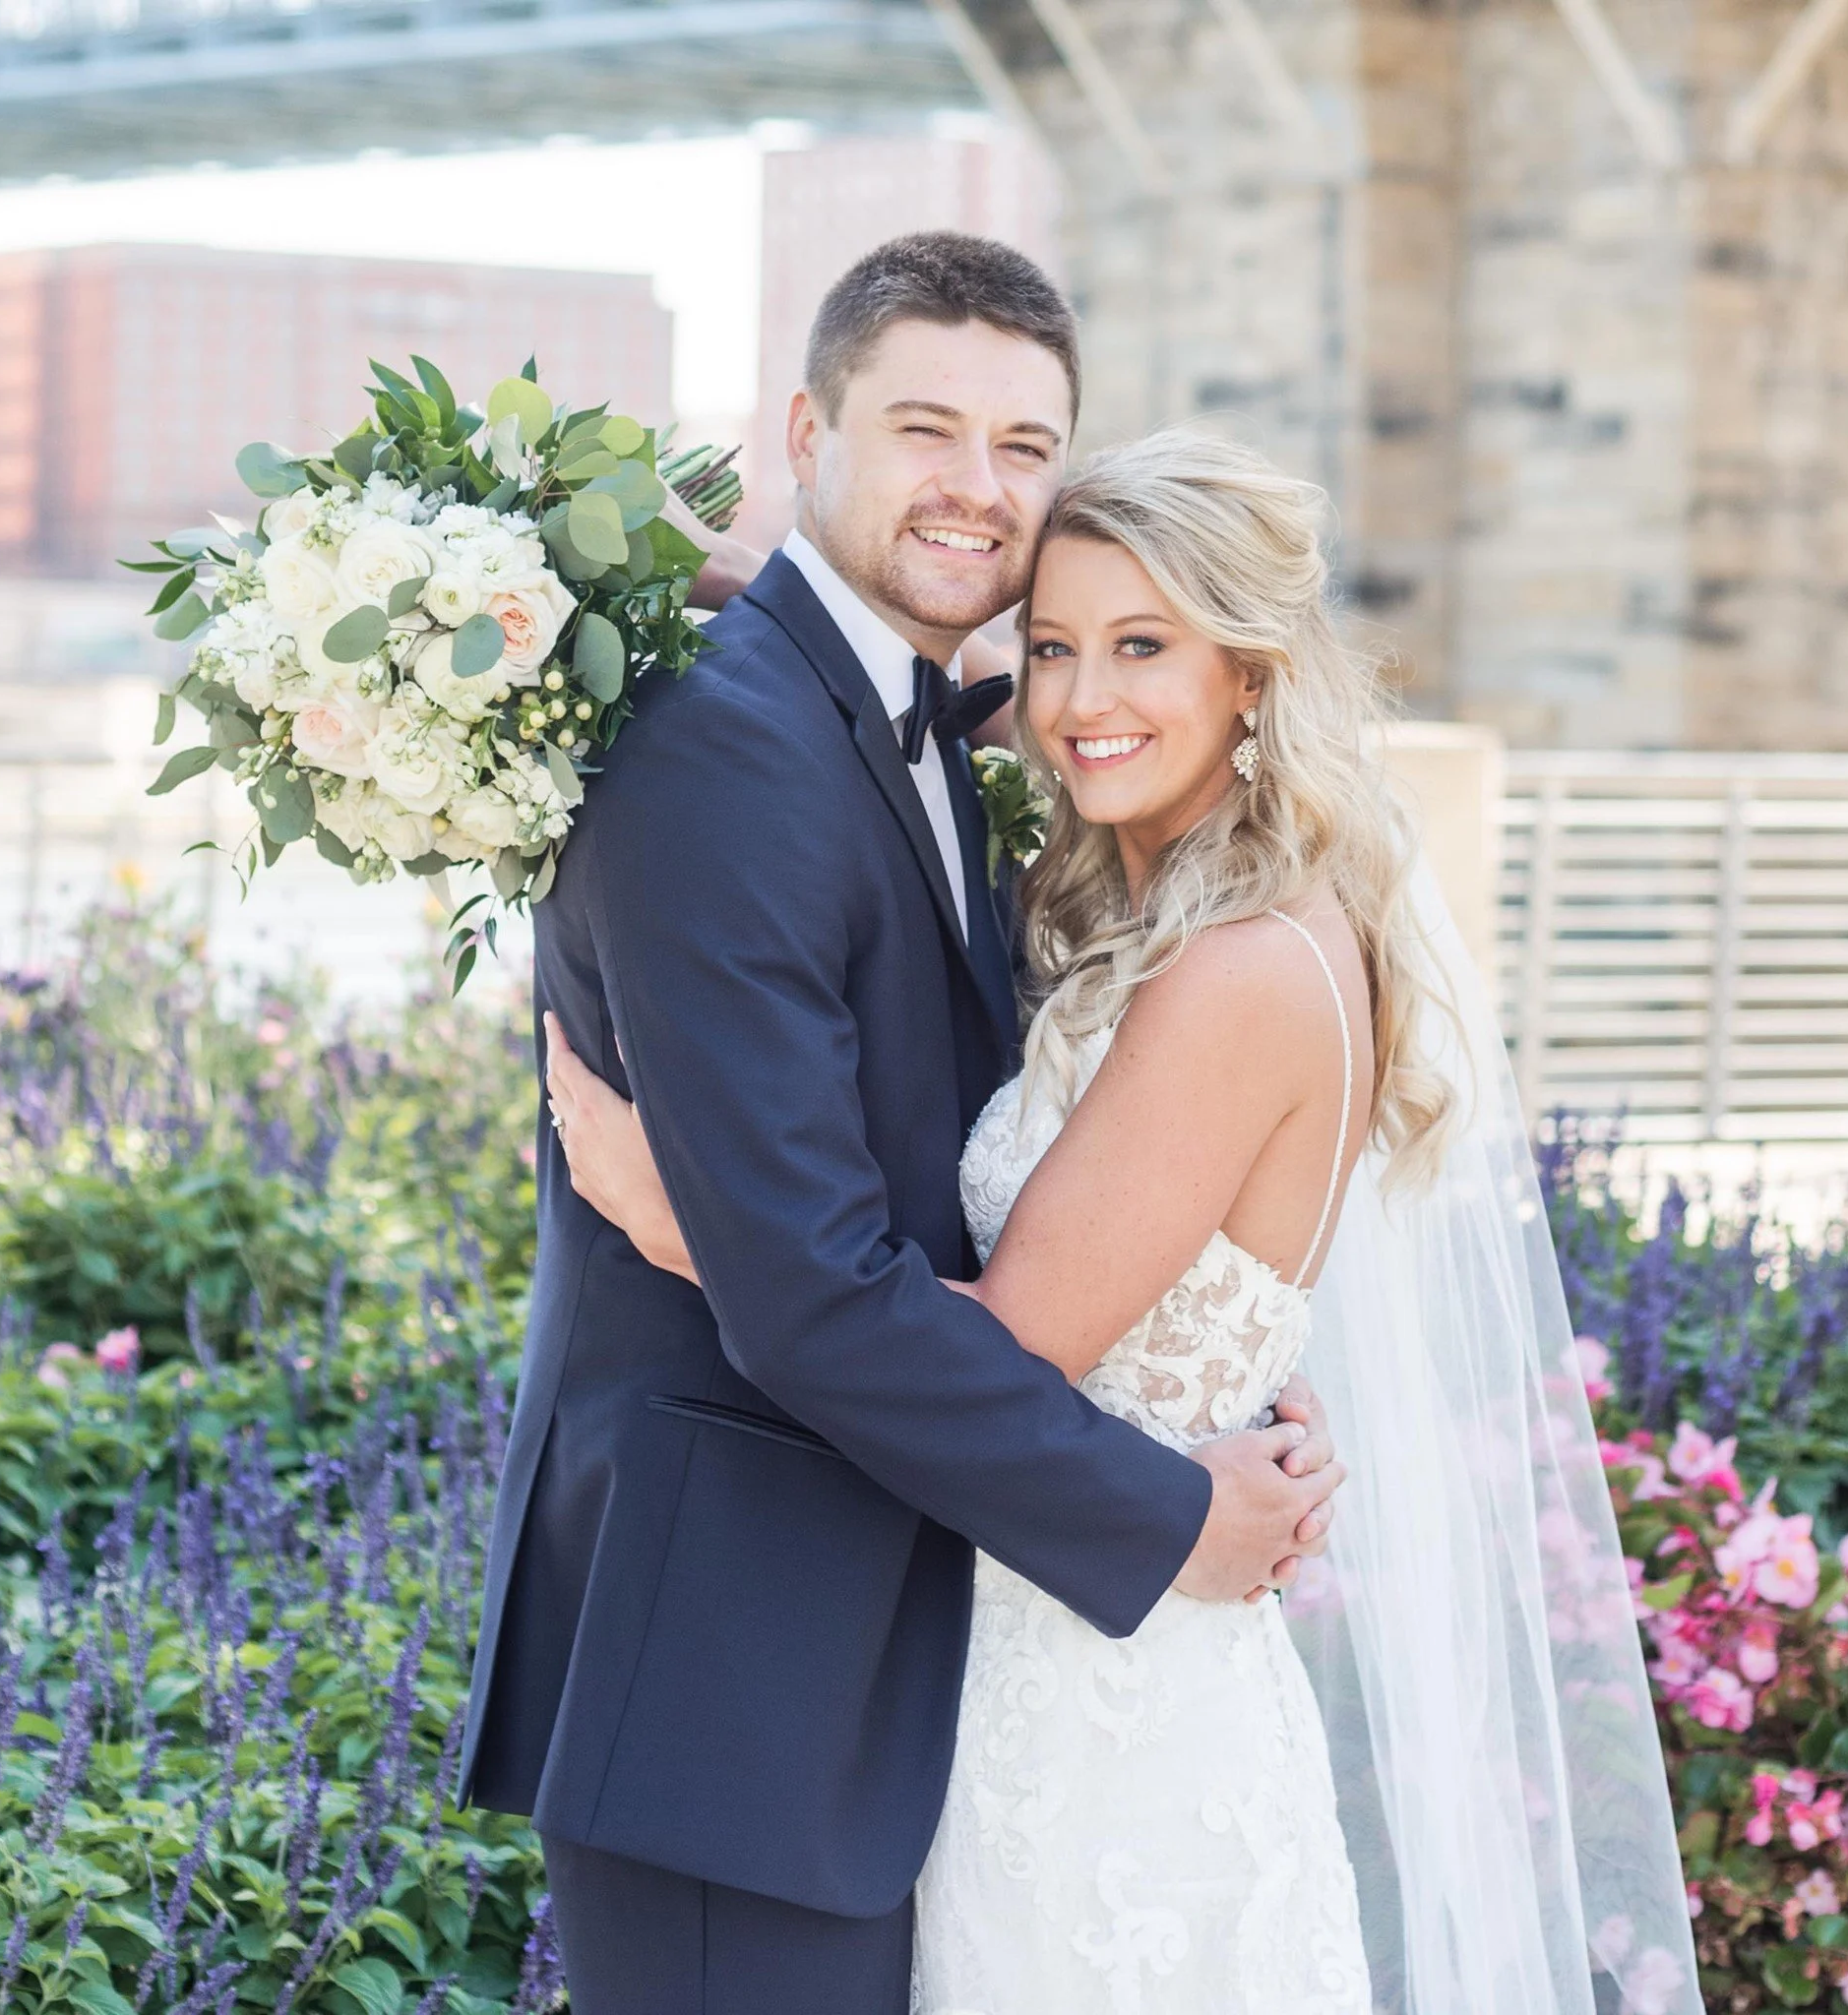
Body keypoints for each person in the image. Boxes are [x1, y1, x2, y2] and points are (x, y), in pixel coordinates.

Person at [552, 428, 1705, 2012]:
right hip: (1053, 1644)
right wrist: (758, 588)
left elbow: (977, 1355)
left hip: (1107, 1712)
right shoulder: (1152, 919)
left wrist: (674, 1212)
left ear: (1251, 673)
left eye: (1144, 647)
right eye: (1053, 647)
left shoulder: (1238, 976)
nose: (1086, 701)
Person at [455, 232, 1347, 2015]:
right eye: (925, 428)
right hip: (738, 1670)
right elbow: (811, 1295)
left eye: (1026, 447)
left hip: (884, 1652)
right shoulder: (727, 746)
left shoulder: (938, 734)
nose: (977, 488)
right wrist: (1166, 1508)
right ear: (807, 431)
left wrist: (1209, 1360)